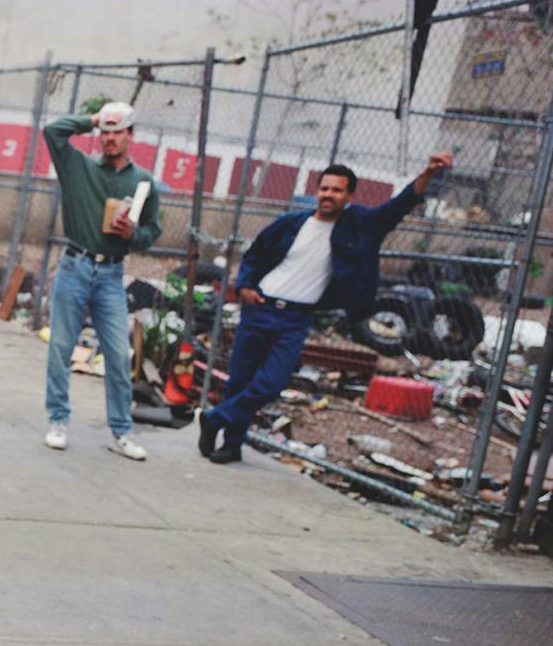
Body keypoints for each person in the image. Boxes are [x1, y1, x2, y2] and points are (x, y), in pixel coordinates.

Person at [199, 152, 454, 465]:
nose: (328, 195)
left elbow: (399, 205)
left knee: (273, 383)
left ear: (348, 196)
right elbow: (256, 254)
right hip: (260, 308)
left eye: (336, 190)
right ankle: (231, 443)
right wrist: (246, 286)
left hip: (295, 317)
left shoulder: (359, 225)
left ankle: (214, 418)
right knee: (240, 380)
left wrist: (428, 173)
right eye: (324, 188)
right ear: (317, 191)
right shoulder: (291, 223)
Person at [40, 100, 161, 461]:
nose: (110, 139)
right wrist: (92, 119)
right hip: (75, 266)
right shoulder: (77, 167)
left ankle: (121, 431)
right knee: (61, 347)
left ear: (131, 136)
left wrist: (132, 235)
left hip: (111, 273)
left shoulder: (142, 182)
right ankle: (58, 421)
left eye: (117, 132)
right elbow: (52, 131)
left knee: (118, 355)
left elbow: (153, 230)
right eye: (105, 132)